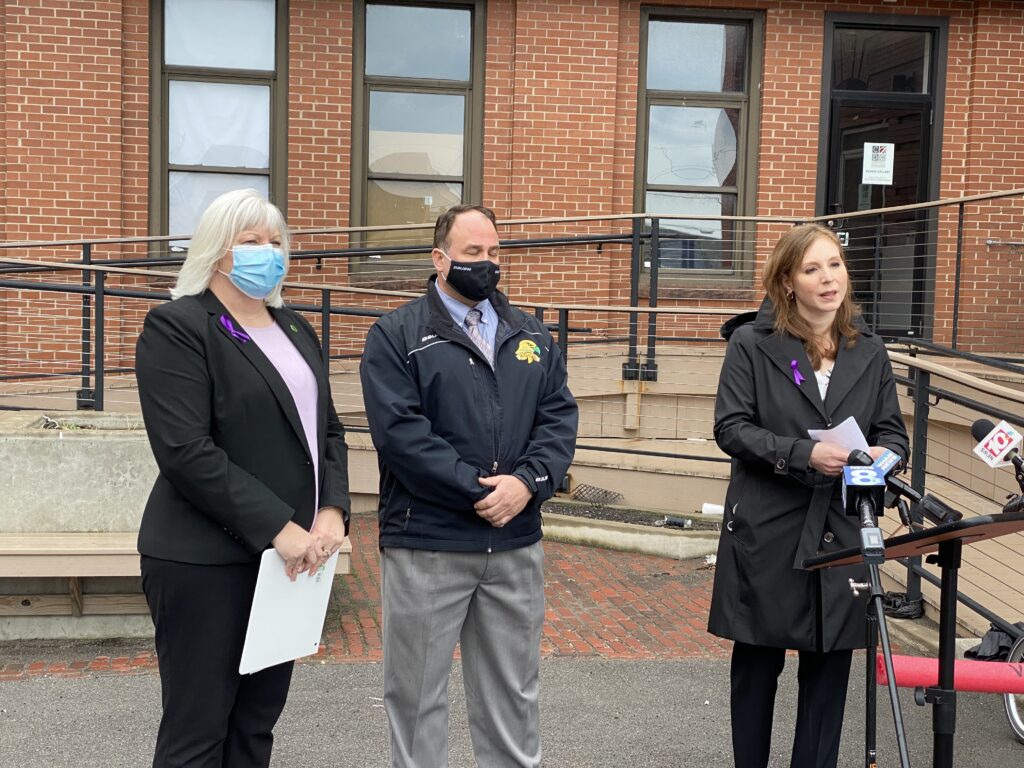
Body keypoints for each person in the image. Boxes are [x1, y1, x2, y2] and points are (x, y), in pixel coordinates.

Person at [134, 188, 350, 768]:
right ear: (215, 250)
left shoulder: (296, 329)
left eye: (276, 241)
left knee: (255, 727)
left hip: (286, 562)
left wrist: (331, 510)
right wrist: (280, 527)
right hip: (205, 560)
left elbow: (327, 431)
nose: (268, 252)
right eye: (250, 241)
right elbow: (186, 450)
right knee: (198, 731)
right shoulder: (178, 326)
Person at [360, 204, 578, 768]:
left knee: (513, 696)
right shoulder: (396, 335)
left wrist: (527, 484)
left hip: (514, 543)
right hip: (428, 543)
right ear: (440, 259)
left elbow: (558, 418)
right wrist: (480, 490)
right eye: (473, 253)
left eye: (494, 253)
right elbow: (402, 436)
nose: (486, 264)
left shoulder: (530, 333)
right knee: (415, 700)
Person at [707, 223, 910, 768]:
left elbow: (892, 431)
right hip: (769, 527)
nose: (828, 279)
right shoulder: (752, 343)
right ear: (788, 281)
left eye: (836, 265)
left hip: (842, 527)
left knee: (829, 675)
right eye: (812, 268)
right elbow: (732, 427)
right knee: (757, 666)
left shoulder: (868, 350)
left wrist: (883, 460)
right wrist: (803, 454)